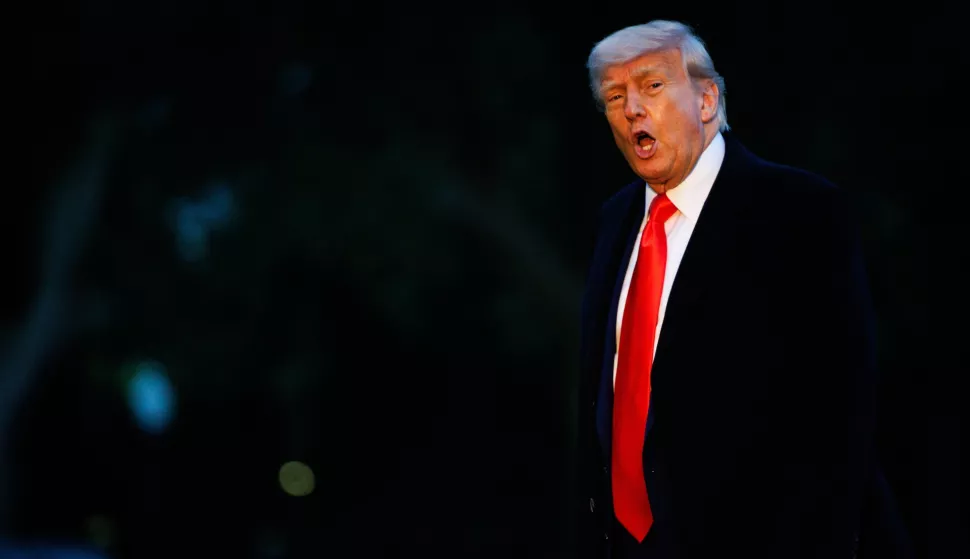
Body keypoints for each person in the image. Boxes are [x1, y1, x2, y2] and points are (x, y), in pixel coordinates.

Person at [577, 20, 904, 558]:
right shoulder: (614, 222)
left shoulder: (798, 211)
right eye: (616, 95)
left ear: (707, 100)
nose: (632, 107)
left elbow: (837, 421)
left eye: (652, 86)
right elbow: (599, 415)